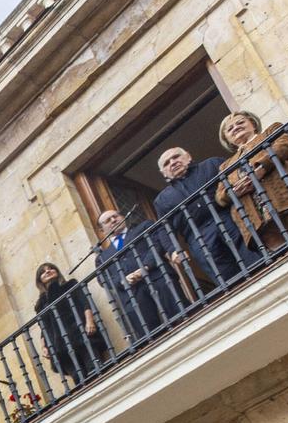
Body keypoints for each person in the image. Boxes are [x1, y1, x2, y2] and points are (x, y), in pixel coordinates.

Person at [214, 110, 288, 256]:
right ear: (227, 139)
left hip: (284, 195)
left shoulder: (271, 131)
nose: (235, 127)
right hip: (255, 213)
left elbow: (284, 144)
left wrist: (262, 167)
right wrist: (233, 192)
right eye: (230, 129)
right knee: (274, 243)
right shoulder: (226, 166)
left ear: (253, 124)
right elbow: (219, 195)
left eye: (240, 122)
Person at [152, 145, 242, 292]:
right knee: (229, 281)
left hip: (230, 218)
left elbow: (235, 178)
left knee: (254, 257)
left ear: (188, 156)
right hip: (199, 238)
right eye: (167, 163)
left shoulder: (212, 164)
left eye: (176, 157)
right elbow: (164, 228)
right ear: (164, 173)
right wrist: (173, 249)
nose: (173, 162)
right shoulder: (161, 199)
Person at [93, 207, 179, 342]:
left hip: (160, 280)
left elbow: (156, 244)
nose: (113, 220)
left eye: (115, 216)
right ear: (102, 230)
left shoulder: (143, 227)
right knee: (150, 337)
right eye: (108, 220)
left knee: (179, 316)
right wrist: (122, 281)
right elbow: (104, 279)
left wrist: (145, 267)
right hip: (133, 296)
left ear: (122, 217)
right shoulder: (102, 257)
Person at [33, 261, 110, 387]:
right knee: (78, 378)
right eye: (43, 272)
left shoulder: (70, 285)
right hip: (59, 345)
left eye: (51, 268)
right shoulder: (40, 303)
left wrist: (89, 321)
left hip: (80, 333)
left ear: (56, 271)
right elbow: (44, 327)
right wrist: (44, 347)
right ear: (39, 280)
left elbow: (85, 302)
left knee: (94, 367)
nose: (47, 271)